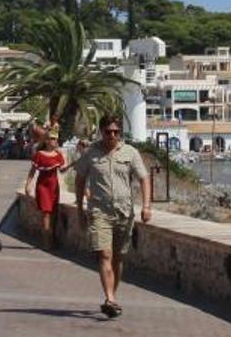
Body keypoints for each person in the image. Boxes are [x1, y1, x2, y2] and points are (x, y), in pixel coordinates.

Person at [74, 115, 152, 319]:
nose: (112, 135)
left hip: (124, 212)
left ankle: (113, 296)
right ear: (101, 131)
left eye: (116, 132)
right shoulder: (91, 153)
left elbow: (144, 178)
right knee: (105, 255)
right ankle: (109, 298)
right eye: (108, 131)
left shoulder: (130, 152)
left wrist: (146, 206)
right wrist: (80, 208)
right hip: (100, 211)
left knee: (118, 257)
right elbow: (80, 179)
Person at [25, 130, 68, 249]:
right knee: (46, 213)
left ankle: (51, 237)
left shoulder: (58, 154)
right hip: (42, 186)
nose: (53, 141)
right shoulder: (39, 154)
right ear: (46, 140)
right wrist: (28, 185)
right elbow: (32, 171)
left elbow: (62, 170)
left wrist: (72, 164)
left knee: (54, 213)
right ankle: (46, 242)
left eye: (55, 139)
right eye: (51, 138)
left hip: (54, 186)